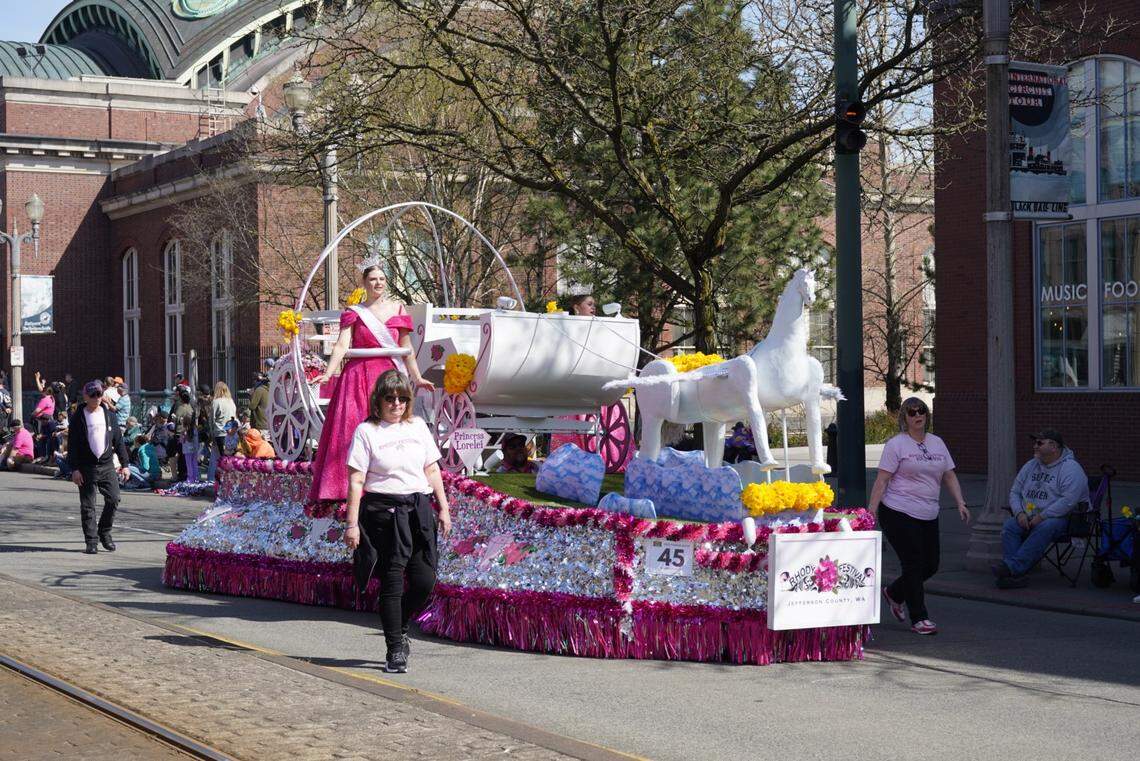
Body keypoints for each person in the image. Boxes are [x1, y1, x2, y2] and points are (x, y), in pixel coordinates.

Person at [344, 370, 451, 674]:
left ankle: (400, 626)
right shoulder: (367, 431)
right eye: (390, 398)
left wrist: (443, 508)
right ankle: (395, 650)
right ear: (378, 400)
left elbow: (432, 470)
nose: (396, 404)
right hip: (383, 514)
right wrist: (351, 524)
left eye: (402, 398)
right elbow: (356, 480)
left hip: (417, 510)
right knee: (391, 581)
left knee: (424, 580)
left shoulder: (417, 427)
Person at [308, 261, 433, 512]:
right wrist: (328, 373)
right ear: (364, 283)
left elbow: (406, 347)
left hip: (388, 376)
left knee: (392, 428)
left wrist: (417, 378)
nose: (378, 283)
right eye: (373, 279)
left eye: (382, 279)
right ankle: (345, 488)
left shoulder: (398, 309)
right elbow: (342, 345)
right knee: (353, 428)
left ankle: (396, 480)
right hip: (357, 377)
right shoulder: (355, 312)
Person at [868, 397, 970, 636]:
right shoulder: (896, 445)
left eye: (921, 411)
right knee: (913, 563)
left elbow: (949, 475)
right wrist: (871, 511)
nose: (917, 415)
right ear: (905, 417)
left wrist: (960, 502)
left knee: (931, 565)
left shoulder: (937, 443)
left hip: (929, 512)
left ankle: (894, 592)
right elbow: (882, 480)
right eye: (912, 412)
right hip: (898, 511)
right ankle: (919, 618)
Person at [993, 429, 1089, 589]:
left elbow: (1068, 501)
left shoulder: (1071, 469)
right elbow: (1015, 492)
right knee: (1010, 525)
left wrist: (1042, 516)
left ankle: (1012, 568)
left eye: (1039, 443)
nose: (1035, 446)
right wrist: (1019, 513)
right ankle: (1014, 575)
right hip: (1030, 516)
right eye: (1035, 443)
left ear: (1054, 447)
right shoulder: (1031, 465)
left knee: (1046, 526)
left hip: (1064, 519)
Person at [67, 381, 130, 554]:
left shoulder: (109, 415)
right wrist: (74, 469)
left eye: (99, 394)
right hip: (86, 466)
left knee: (114, 498)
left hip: (107, 465)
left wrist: (125, 465)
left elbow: (118, 441)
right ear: (85, 396)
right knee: (88, 505)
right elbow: (72, 445)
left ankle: (104, 532)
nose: (96, 398)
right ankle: (91, 541)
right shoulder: (78, 417)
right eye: (93, 395)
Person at [208, 382, 235, 480]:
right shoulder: (231, 401)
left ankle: (220, 479)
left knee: (221, 458)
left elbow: (212, 419)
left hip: (220, 432)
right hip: (231, 432)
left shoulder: (216, 402)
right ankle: (229, 478)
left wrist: (211, 434)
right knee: (229, 456)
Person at [169, 387, 196, 482]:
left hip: (180, 433)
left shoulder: (180, 407)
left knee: (182, 455)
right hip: (190, 433)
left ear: (180, 397)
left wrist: (174, 419)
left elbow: (176, 420)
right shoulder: (191, 406)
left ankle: (183, 475)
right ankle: (190, 475)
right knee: (189, 456)